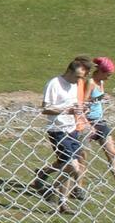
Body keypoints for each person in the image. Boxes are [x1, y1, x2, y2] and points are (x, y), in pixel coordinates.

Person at [33, 56, 93, 212]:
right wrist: (67, 110)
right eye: (78, 77)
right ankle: (51, 189)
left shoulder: (74, 85)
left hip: (72, 129)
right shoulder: (54, 84)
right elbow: (45, 108)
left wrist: (81, 109)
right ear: (70, 71)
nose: (79, 81)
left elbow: (74, 105)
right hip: (57, 130)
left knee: (71, 166)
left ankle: (62, 202)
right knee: (72, 166)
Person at [80, 57, 115, 196]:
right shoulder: (90, 82)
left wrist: (104, 97)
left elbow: (98, 98)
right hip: (87, 122)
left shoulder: (101, 82)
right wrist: (98, 99)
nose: (109, 78)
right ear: (100, 71)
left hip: (100, 121)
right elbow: (84, 102)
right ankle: (77, 187)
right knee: (81, 157)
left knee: (112, 152)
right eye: (108, 74)